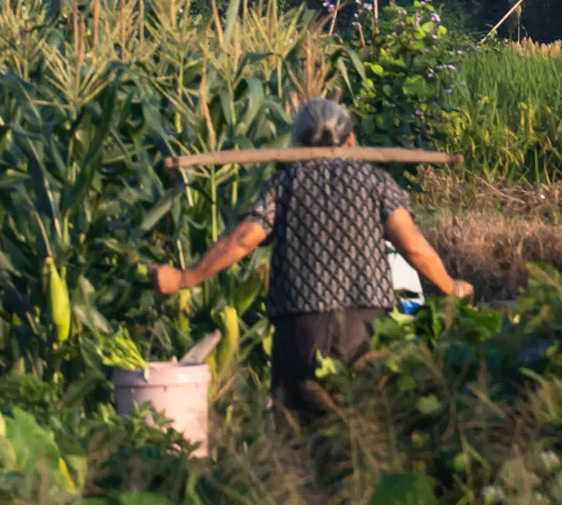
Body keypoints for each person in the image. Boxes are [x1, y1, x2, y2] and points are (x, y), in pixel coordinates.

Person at [151, 96, 471, 425]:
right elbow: (413, 245)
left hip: (302, 329)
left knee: (298, 432)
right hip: (365, 327)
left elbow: (243, 239)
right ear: (350, 141)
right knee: (363, 427)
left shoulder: (285, 184)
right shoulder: (374, 183)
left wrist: (185, 278)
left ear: (297, 144)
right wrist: (450, 287)